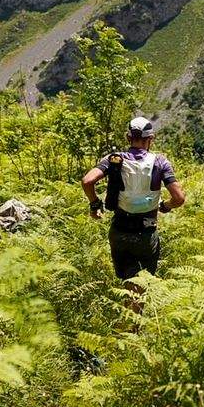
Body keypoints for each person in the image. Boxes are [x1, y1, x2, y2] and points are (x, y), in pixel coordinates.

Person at [81, 116, 186, 302]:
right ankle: (133, 325)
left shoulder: (113, 160)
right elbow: (179, 198)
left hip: (119, 230)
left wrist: (94, 203)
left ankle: (126, 318)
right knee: (141, 285)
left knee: (127, 279)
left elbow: (87, 181)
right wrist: (165, 206)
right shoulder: (160, 163)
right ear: (150, 139)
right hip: (146, 233)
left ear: (128, 138)